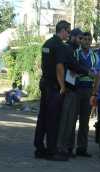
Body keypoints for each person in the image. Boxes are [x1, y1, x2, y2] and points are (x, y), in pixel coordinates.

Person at [33, 20, 71, 160]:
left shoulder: (47, 44)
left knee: (43, 116)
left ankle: (39, 147)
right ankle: (51, 151)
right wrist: (62, 86)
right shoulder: (59, 45)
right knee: (53, 119)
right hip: (54, 86)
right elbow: (59, 67)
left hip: (45, 83)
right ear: (62, 30)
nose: (68, 34)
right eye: (68, 31)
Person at [72, 32, 99, 157]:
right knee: (72, 119)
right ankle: (68, 147)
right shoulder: (75, 53)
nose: (87, 42)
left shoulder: (94, 56)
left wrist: (95, 92)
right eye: (85, 39)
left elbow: (96, 73)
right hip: (76, 89)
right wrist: (87, 73)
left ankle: (82, 148)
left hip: (88, 90)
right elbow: (73, 70)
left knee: (85, 121)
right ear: (80, 40)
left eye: (89, 40)